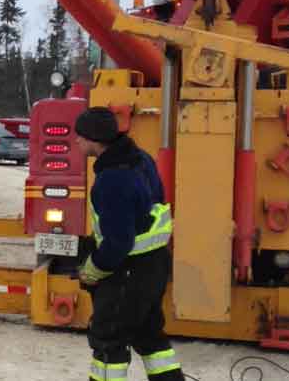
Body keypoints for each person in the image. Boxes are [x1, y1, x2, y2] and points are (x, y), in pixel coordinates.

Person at [74, 106, 183, 381]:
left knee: (108, 340)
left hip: (127, 271)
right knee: (149, 335)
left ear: (94, 140)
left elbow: (119, 243)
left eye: (80, 136)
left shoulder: (111, 180)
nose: (76, 141)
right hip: (154, 265)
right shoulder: (140, 159)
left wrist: (93, 269)